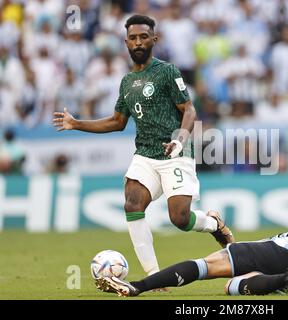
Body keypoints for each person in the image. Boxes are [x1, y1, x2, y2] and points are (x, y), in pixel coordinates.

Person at [53, 15, 235, 279]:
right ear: (126, 42)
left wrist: (179, 139)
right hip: (145, 155)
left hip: (176, 153)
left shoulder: (167, 71)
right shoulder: (127, 82)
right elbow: (117, 122)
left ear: (154, 39)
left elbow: (189, 109)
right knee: (132, 204)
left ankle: (213, 223)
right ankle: (153, 275)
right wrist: (76, 123)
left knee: (180, 219)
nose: (138, 42)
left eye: (143, 37)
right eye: (133, 38)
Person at [96, 178, 288, 297]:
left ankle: (136, 287)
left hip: (278, 252)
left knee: (203, 267)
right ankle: (287, 277)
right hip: (286, 270)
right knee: (231, 287)